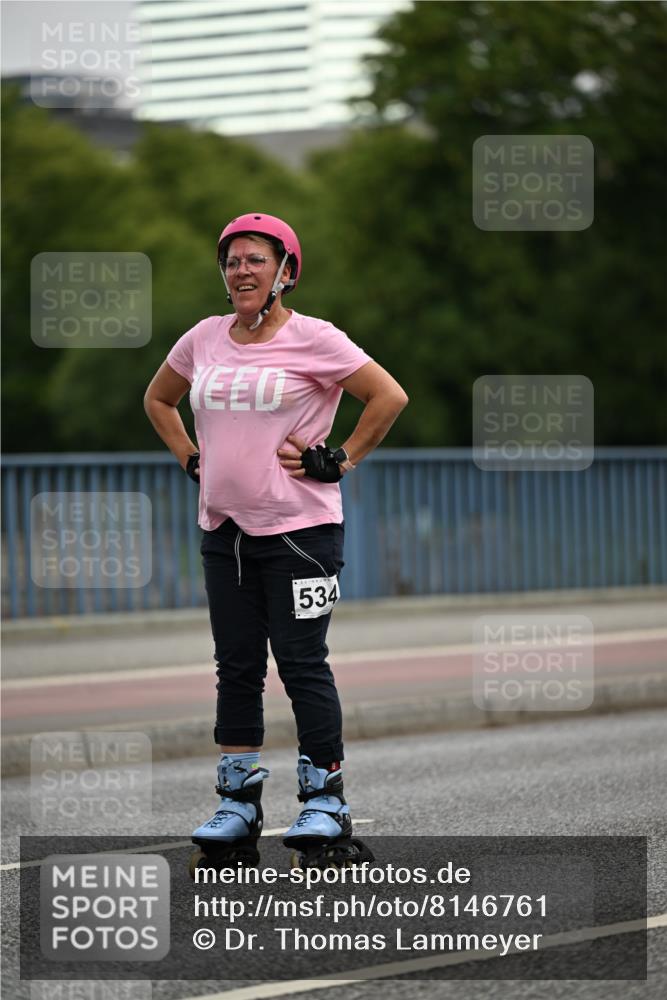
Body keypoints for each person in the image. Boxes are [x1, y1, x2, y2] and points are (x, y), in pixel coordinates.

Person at [144, 212, 408, 869]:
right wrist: (189, 458)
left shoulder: (314, 339)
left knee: (299, 663)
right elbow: (159, 399)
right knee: (236, 666)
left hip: (301, 533)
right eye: (231, 260)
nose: (240, 269)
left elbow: (387, 396)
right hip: (224, 531)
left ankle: (325, 800)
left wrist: (340, 458)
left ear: (284, 271)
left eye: (255, 259)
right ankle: (237, 804)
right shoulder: (204, 338)